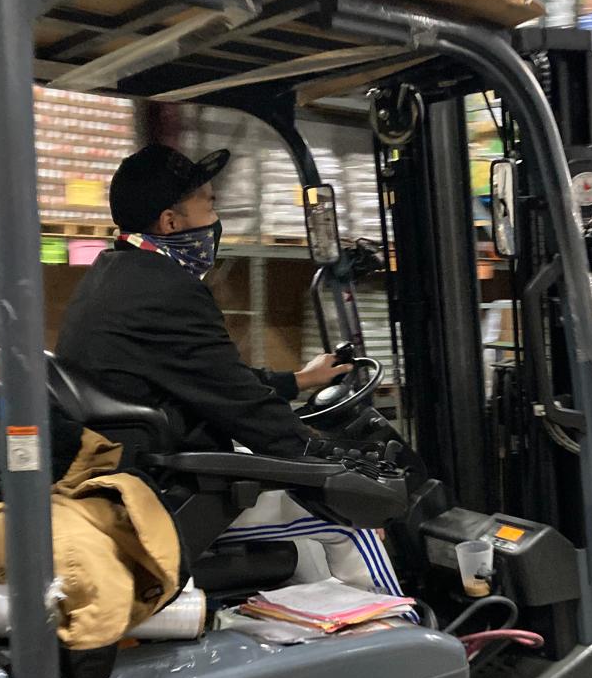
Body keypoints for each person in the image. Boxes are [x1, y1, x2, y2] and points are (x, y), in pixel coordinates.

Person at [56, 143, 405, 596]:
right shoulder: (168, 291)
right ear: (170, 221)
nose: (215, 219)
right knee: (351, 524)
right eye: (209, 204)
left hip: (141, 473)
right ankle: (411, 636)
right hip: (166, 496)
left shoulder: (116, 273)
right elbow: (242, 406)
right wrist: (332, 462)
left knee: (311, 548)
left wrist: (300, 381)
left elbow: (212, 378)